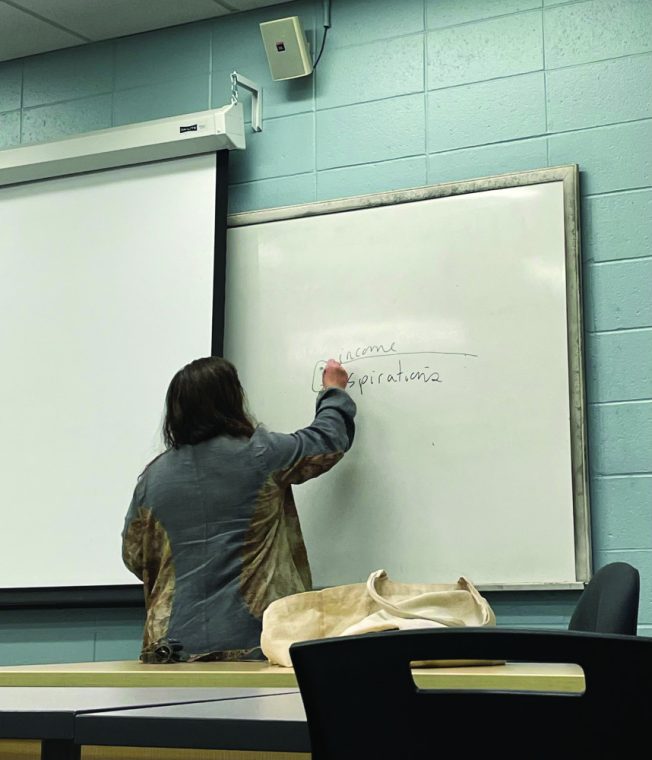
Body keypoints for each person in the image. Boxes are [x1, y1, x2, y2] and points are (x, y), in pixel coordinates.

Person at [122, 356, 356, 663]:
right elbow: (327, 441)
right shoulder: (259, 453)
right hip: (252, 641)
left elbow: (135, 556)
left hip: (170, 647)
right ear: (232, 400)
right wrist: (333, 392)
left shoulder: (152, 478)